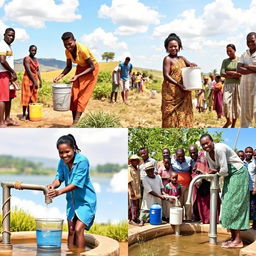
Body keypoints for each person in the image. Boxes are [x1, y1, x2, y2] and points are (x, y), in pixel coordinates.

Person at [47, 134, 96, 249]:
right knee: (71, 230)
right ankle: (70, 252)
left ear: (74, 148)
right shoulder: (62, 161)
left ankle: (79, 253)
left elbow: (76, 184)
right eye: (61, 153)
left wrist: (58, 192)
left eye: (67, 152)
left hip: (85, 201)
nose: (64, 155)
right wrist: (53, 185)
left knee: (79, 229)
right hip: (72, 201)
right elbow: (59, 177)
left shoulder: (82, 161)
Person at [200, 134, 249, 248]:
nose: (206, 146)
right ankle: (233, 238)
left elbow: (223, 170)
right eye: (203, 145)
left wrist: (215, 171)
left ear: (212, 141)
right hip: (228, 176)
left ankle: (238, 240)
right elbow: (215, 170)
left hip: (238, 174)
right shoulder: (207, 154)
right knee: (226, 205)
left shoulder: (220, 148)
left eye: (207, 143)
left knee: (234, 205)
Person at [53, 32, 99, 126]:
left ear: (74, 41)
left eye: (70, 44)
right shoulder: (67, 52)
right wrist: (60, 76)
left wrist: (78, 76)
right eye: (65, 45)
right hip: (80, 69)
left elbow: (92, 67)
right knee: (74, 96)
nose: (68, 46)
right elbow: (69, 66)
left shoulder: (83, 50)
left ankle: (75, 123)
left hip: (91, 70)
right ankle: (74, 122)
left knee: (82, 97)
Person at [161, 33, 197, 128]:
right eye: (171, 47)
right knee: (170, 116)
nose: (173, 48)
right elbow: (166, 75)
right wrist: (178, 85)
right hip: (172, 92)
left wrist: (192, 64)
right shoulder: (167, 59)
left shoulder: (182, 58)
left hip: (183, 92)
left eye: (175, 46)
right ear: (167, 48)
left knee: (183, 113)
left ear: (179, 46)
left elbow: (190, 65)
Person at [189, 145, 220, 224]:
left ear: (197, 151)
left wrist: (201, 176)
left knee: (210, 203)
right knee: (202, 205)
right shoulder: (192, 161)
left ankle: (212, 221)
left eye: (194, 152)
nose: (193, 155)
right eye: (191, 153)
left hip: (208, 182)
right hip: (199, 185)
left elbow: (203, 169)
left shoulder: (202, 157)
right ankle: (204, 220)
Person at [237, 32, 256, 127]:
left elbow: (243, 67)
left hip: (255, 86)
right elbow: (239, 69)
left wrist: (247, 65)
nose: (250, 43)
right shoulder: (244, 54)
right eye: (248, 41)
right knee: (245, 113)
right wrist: (253, 69)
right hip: (245, 87)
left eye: (252, 41)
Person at [220, 44, 241, 128]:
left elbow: (240, 74)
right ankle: (228, 120)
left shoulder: (239, 60)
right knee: (225, 102)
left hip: (237, 85)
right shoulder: (225, 61)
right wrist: (234, 74)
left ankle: (233, 124)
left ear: (234, 50)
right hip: (228, 85)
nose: (228, 53)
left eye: (230, 51)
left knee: (236, 105)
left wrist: (229, 72)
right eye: (227, 51)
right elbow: (222, 73)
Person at [0, 28, 17, 127]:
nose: (11, 37)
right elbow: (2, 60)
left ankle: (7, 119)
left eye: (13, 36)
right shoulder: (2, 45)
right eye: (9, 35)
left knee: (9, 97)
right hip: (2, 74)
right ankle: (1, 122)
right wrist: (12, 72)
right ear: (4, 35)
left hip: (8, 74)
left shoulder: (8, 46)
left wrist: (11, 74)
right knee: (2, 98)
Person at [21, 45, 42, 120]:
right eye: (32, 50)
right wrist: (34, 81)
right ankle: (24, 114)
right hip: (27, 78)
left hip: (35, 79)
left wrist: (40, 80)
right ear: (29, 50)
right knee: (26, 96)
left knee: (33, 97)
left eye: (35, 50)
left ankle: (30, 114)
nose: (34, 52)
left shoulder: (36, 59)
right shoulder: (27, 59)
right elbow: (28, 70)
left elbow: (37, 70)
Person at [171, 148, 192, 220]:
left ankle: (188, 219)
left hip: (188, 187)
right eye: (178, 156)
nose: (180, 158)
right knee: (178, 204)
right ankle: (179, 220)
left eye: (182, 156)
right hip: (177, 188)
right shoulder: (172, 161)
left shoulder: (189, 160)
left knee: (188, 203)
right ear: (175, 156)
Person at [128, 154, 143, 226]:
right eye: (133, 160)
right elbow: (128, 181)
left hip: (137, 190)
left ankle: (134, 218)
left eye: (136, 160)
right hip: (132, 191)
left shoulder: (138, 169)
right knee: (133, 205)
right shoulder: (129, 169)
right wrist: (131, 191)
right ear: (131, 162)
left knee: (136, 205)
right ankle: (132, 219)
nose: (135, 161)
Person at [244, 146, 256, 229]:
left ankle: (255, 225)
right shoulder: (241, 163)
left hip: (252, 189)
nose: (248, 153)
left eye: (250, 152)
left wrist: (255, 188)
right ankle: (245, 224)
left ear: (252, 153)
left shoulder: (254, 163)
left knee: (253, 207)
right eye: (247, 152)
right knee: (245, 207)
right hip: (243, 190)